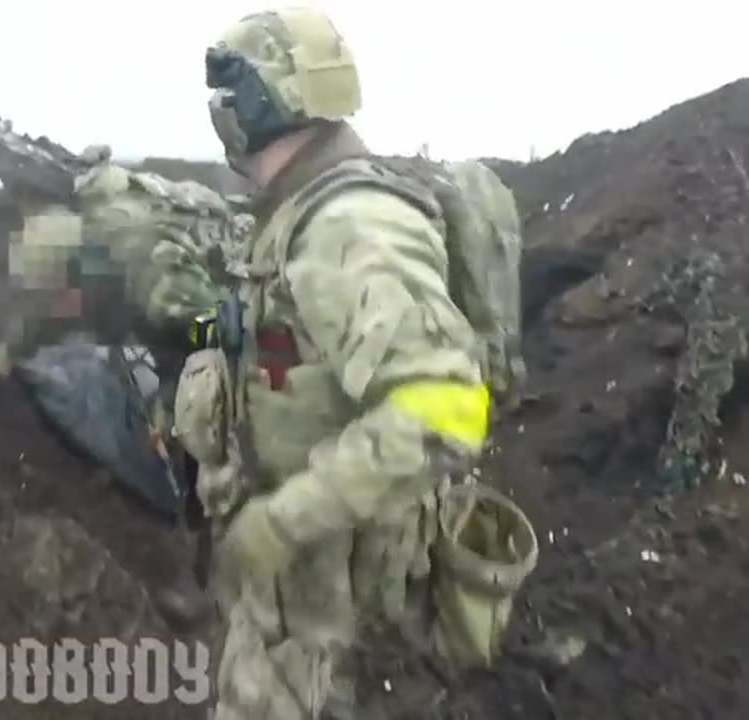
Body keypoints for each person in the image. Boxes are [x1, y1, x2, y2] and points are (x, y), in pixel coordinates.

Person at [166, 7, 539, 718]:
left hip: (326, 593)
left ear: (255, 109)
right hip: (298, 582)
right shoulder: (302, 214)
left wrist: (281, 521)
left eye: (228, 97)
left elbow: (448, 406)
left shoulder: (350, 226)